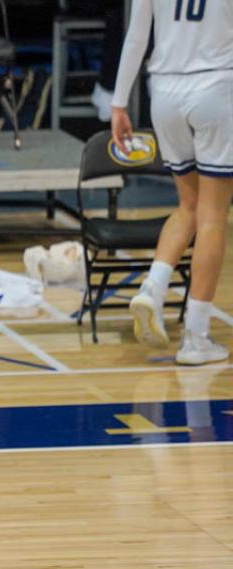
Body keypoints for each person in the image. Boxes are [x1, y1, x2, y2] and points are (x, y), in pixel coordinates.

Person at [113, 0, 232, 365]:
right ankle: (196, 337)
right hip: (215, 85)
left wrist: (118, 104)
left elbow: (136, 36)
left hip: (164, 93)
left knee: (188, 206)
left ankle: (153, 287)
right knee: (213, 217)